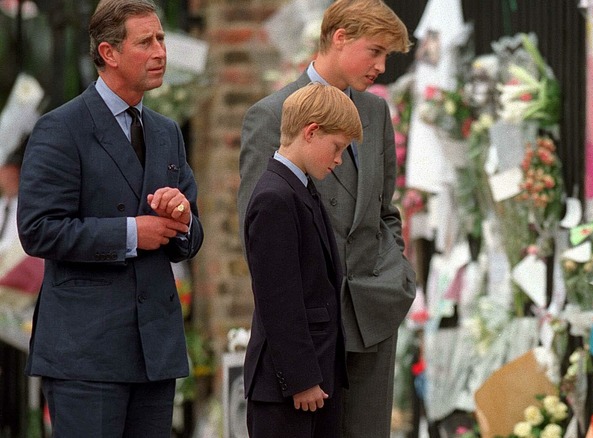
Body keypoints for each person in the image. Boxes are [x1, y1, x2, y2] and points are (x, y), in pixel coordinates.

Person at [16, 0, 204, 436]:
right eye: (146, 42)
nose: (160, 51)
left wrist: (181, 219)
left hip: (154, 350)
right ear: (108, 53)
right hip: (86, 353)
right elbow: (38, 229)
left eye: (161, 38)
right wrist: (132, 233)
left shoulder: (166, 131)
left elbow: (189, 236)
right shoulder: (61, 128)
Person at [238, 1, 416, 436]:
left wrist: (394, 274)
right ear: (339, 38)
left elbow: (383, 210)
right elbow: (259, 234)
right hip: (313, 325)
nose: (380, 66)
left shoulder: (375, 112)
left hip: (373, 311)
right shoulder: (272, 115)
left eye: (387, 57)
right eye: (374, 51)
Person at [243, 82, 361, 438]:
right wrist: (302, 378)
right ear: (311, 132)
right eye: (337, 147)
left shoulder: (298, 187)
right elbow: (279, 300)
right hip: (289, 390)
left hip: (312, 381)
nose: (339, 158)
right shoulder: (275, 197)